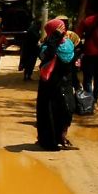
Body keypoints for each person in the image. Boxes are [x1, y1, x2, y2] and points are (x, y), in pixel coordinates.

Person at [35, 19, 77, 150]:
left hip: (65, 85)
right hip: (50, 88)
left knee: (67, 111)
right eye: (59, 30)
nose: (63, 32)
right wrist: (54, 39)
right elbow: (47, 55)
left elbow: (71, 66)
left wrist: (76, 83)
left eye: (63, 29)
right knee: (49, 114)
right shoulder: (46, 46)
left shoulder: (69, 45)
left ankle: (61, 136)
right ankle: (48, 142)